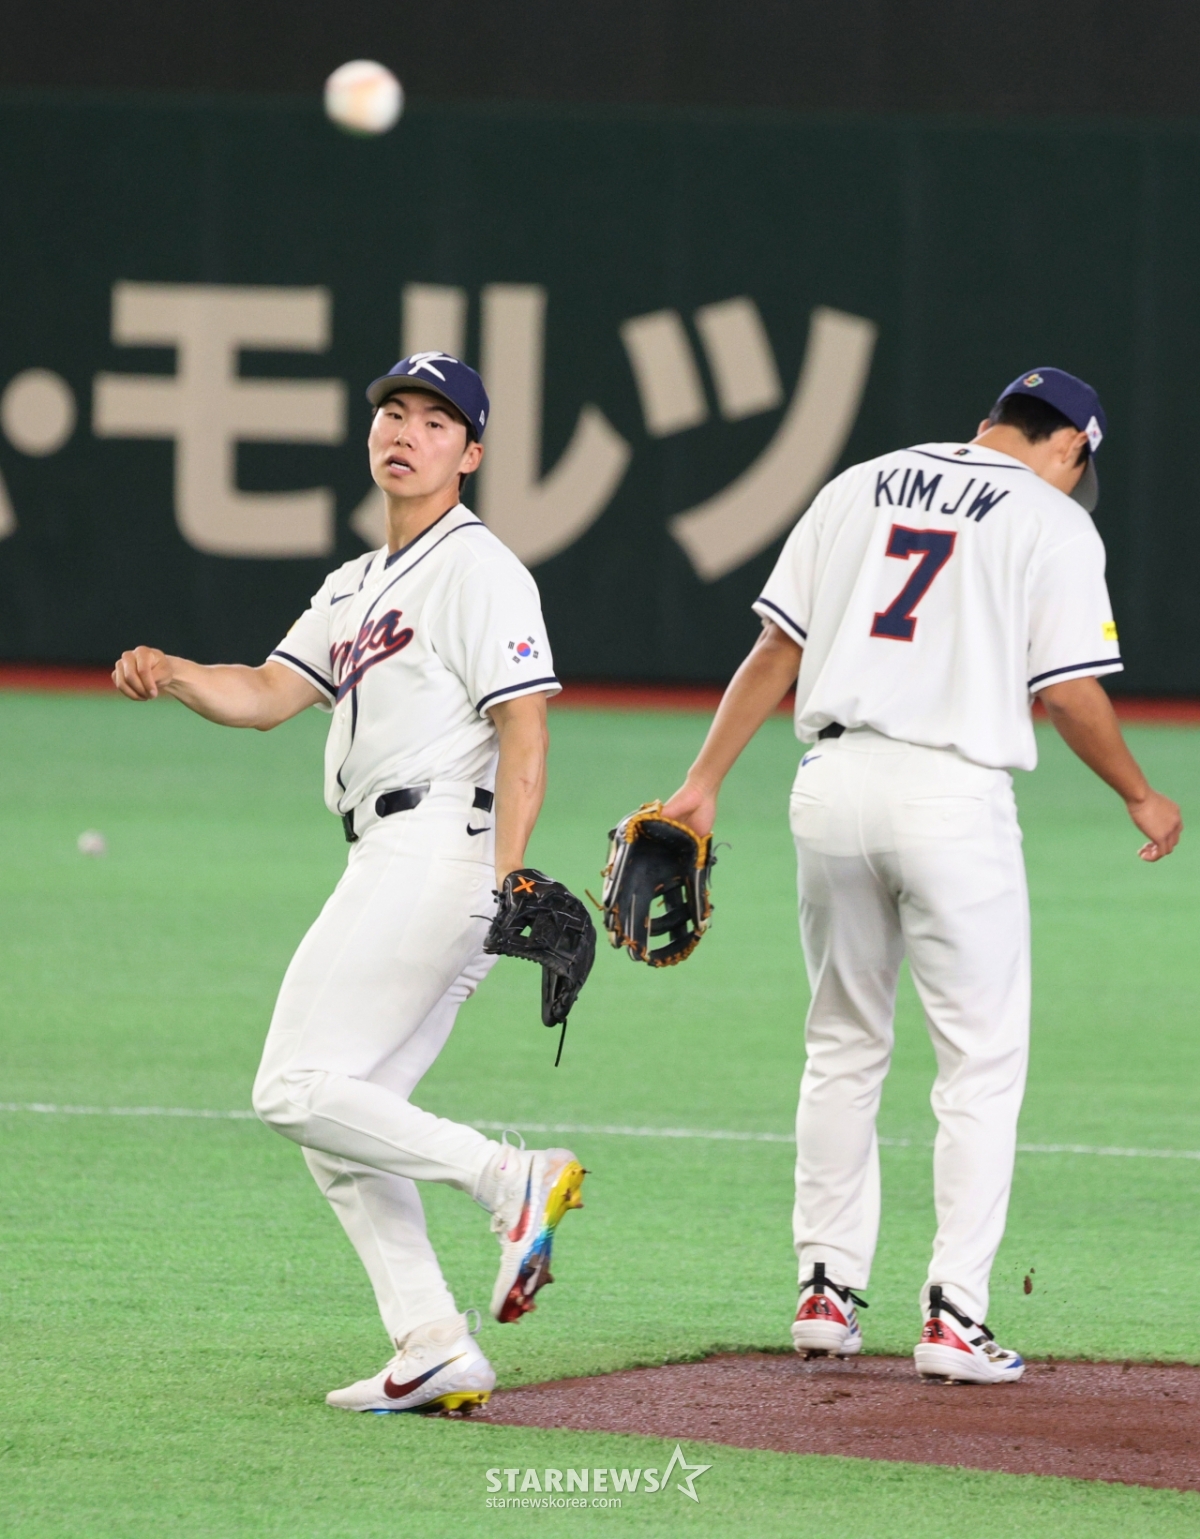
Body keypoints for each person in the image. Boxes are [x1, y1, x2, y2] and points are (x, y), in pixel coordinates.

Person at [662, 368, 1181, 1383]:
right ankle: (955, 1314)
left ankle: (824, 1292)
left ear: (988, 422)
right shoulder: (1053, 519)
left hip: (830, 787)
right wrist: (1139, 792)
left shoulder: (858, 483)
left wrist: (703, 779)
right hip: (952, 798)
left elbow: (776, 648)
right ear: (1071, 446)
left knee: (842, 1043)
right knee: (978, 1064)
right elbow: (1071, 692)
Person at [113, 353, 586, 1414]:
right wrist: (178, 673)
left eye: (434, 420)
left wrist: (511, 873)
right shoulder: (356, 583)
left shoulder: (480, 569)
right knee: (343, 1115)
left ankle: (507, 1177)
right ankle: (433, 1342)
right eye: (394, 413)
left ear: (471, 453)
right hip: (396, 855)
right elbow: (267, 694)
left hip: (442, 850)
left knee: (291, 1088)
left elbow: (525, 728)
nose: (405, 432)